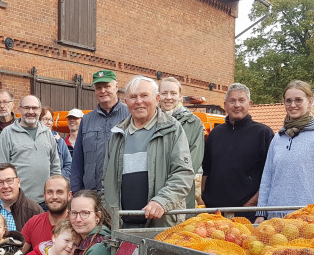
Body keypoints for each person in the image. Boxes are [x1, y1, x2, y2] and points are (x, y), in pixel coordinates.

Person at [103, 76, 194, 229]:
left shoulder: (172, 129)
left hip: (160, 226)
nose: (139, 101)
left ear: (157, 98)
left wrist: (161, 201)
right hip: (121, 226)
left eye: (144, 96)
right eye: (133, 97)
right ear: (126, 102)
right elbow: (105, 179)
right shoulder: (117, 134)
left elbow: (183, 174)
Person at [256, 80, 314, 221]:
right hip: (276, 217)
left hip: (309, 216)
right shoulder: (278, 138)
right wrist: (261, 213)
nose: (293, 105)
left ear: (310, 101)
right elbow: (267, 178)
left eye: (298, 100)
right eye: (288, 101)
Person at [202, 83, 274, 222]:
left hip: (247, 214)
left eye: (241, 100)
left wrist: (251, 205)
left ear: (250, 104)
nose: (237, 105)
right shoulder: (215, 134)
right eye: (232, 101)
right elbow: (207, 169)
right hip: (214, 214)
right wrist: (205, 197)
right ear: (225, 105)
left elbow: (270, 176)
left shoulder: (263, 133)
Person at [0, 95, 61, 206]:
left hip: (45, 202)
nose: (31, 111)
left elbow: (55, 167)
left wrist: (55, 193)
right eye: (26, 108)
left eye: (34, 108)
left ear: (40, 110)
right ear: (19, 109)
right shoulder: (7, 133)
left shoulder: (47, 133)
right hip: (18, 202)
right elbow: (0, 170)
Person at [70, 70, 129, 193]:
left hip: (122, 192)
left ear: (116, 87)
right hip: (92, 192)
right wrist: (76, 192)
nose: (103, 91)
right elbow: (77, 160)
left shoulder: (130, 116)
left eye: (107, 86)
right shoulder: (86, 120)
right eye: (98, 88)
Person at [159, 77, 205, 211]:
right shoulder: (150, 120)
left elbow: (194, 159)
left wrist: (175, 183)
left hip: (181, 190)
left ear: (180, 96)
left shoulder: (193, 122)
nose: (168, 97)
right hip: (153, 188)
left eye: (173, 93)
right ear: (158, 96)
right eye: (164, 93)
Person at [21, 175, 71, 252]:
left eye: (60, 192)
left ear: (69, 195)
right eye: (50, 192)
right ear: (44, 196)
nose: (54, 197)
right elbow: (17, 254)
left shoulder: (76, 223)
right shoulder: (33, 222)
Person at [40, 107, 72, 179]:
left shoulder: (60, 142)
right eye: (45, 119)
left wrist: (57, 177)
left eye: (51, 120)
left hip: (57, 184)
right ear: (38, 121)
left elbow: (69, 165)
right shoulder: (32, 141)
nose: (49, 122)